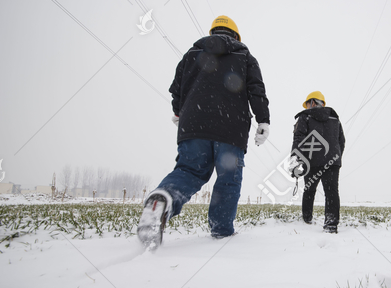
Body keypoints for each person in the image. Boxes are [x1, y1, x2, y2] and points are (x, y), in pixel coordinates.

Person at [138, 15, 270, 248]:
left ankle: (164, 199)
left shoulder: (191, 55)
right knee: (228, 179)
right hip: (231, 127)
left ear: (211, 33)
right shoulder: (244, 56)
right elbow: (256, 91)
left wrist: (179, 112)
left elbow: (177, 89)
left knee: (189, 170)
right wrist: (263, 120)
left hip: (194, 126)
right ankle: (221, 231)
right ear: (236, 36)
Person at [290, 91, 345, 233]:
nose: (307, 107)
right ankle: (331, 225)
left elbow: (298, 139)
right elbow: (342, 141)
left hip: (312, 161)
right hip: (332, 162)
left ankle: (307, 219)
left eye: (308, 104)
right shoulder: (335, 118)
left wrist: (296, 160)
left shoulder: (305, 117)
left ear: (313, 102)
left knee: (309, 190)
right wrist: (336, 157)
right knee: (331, 192)